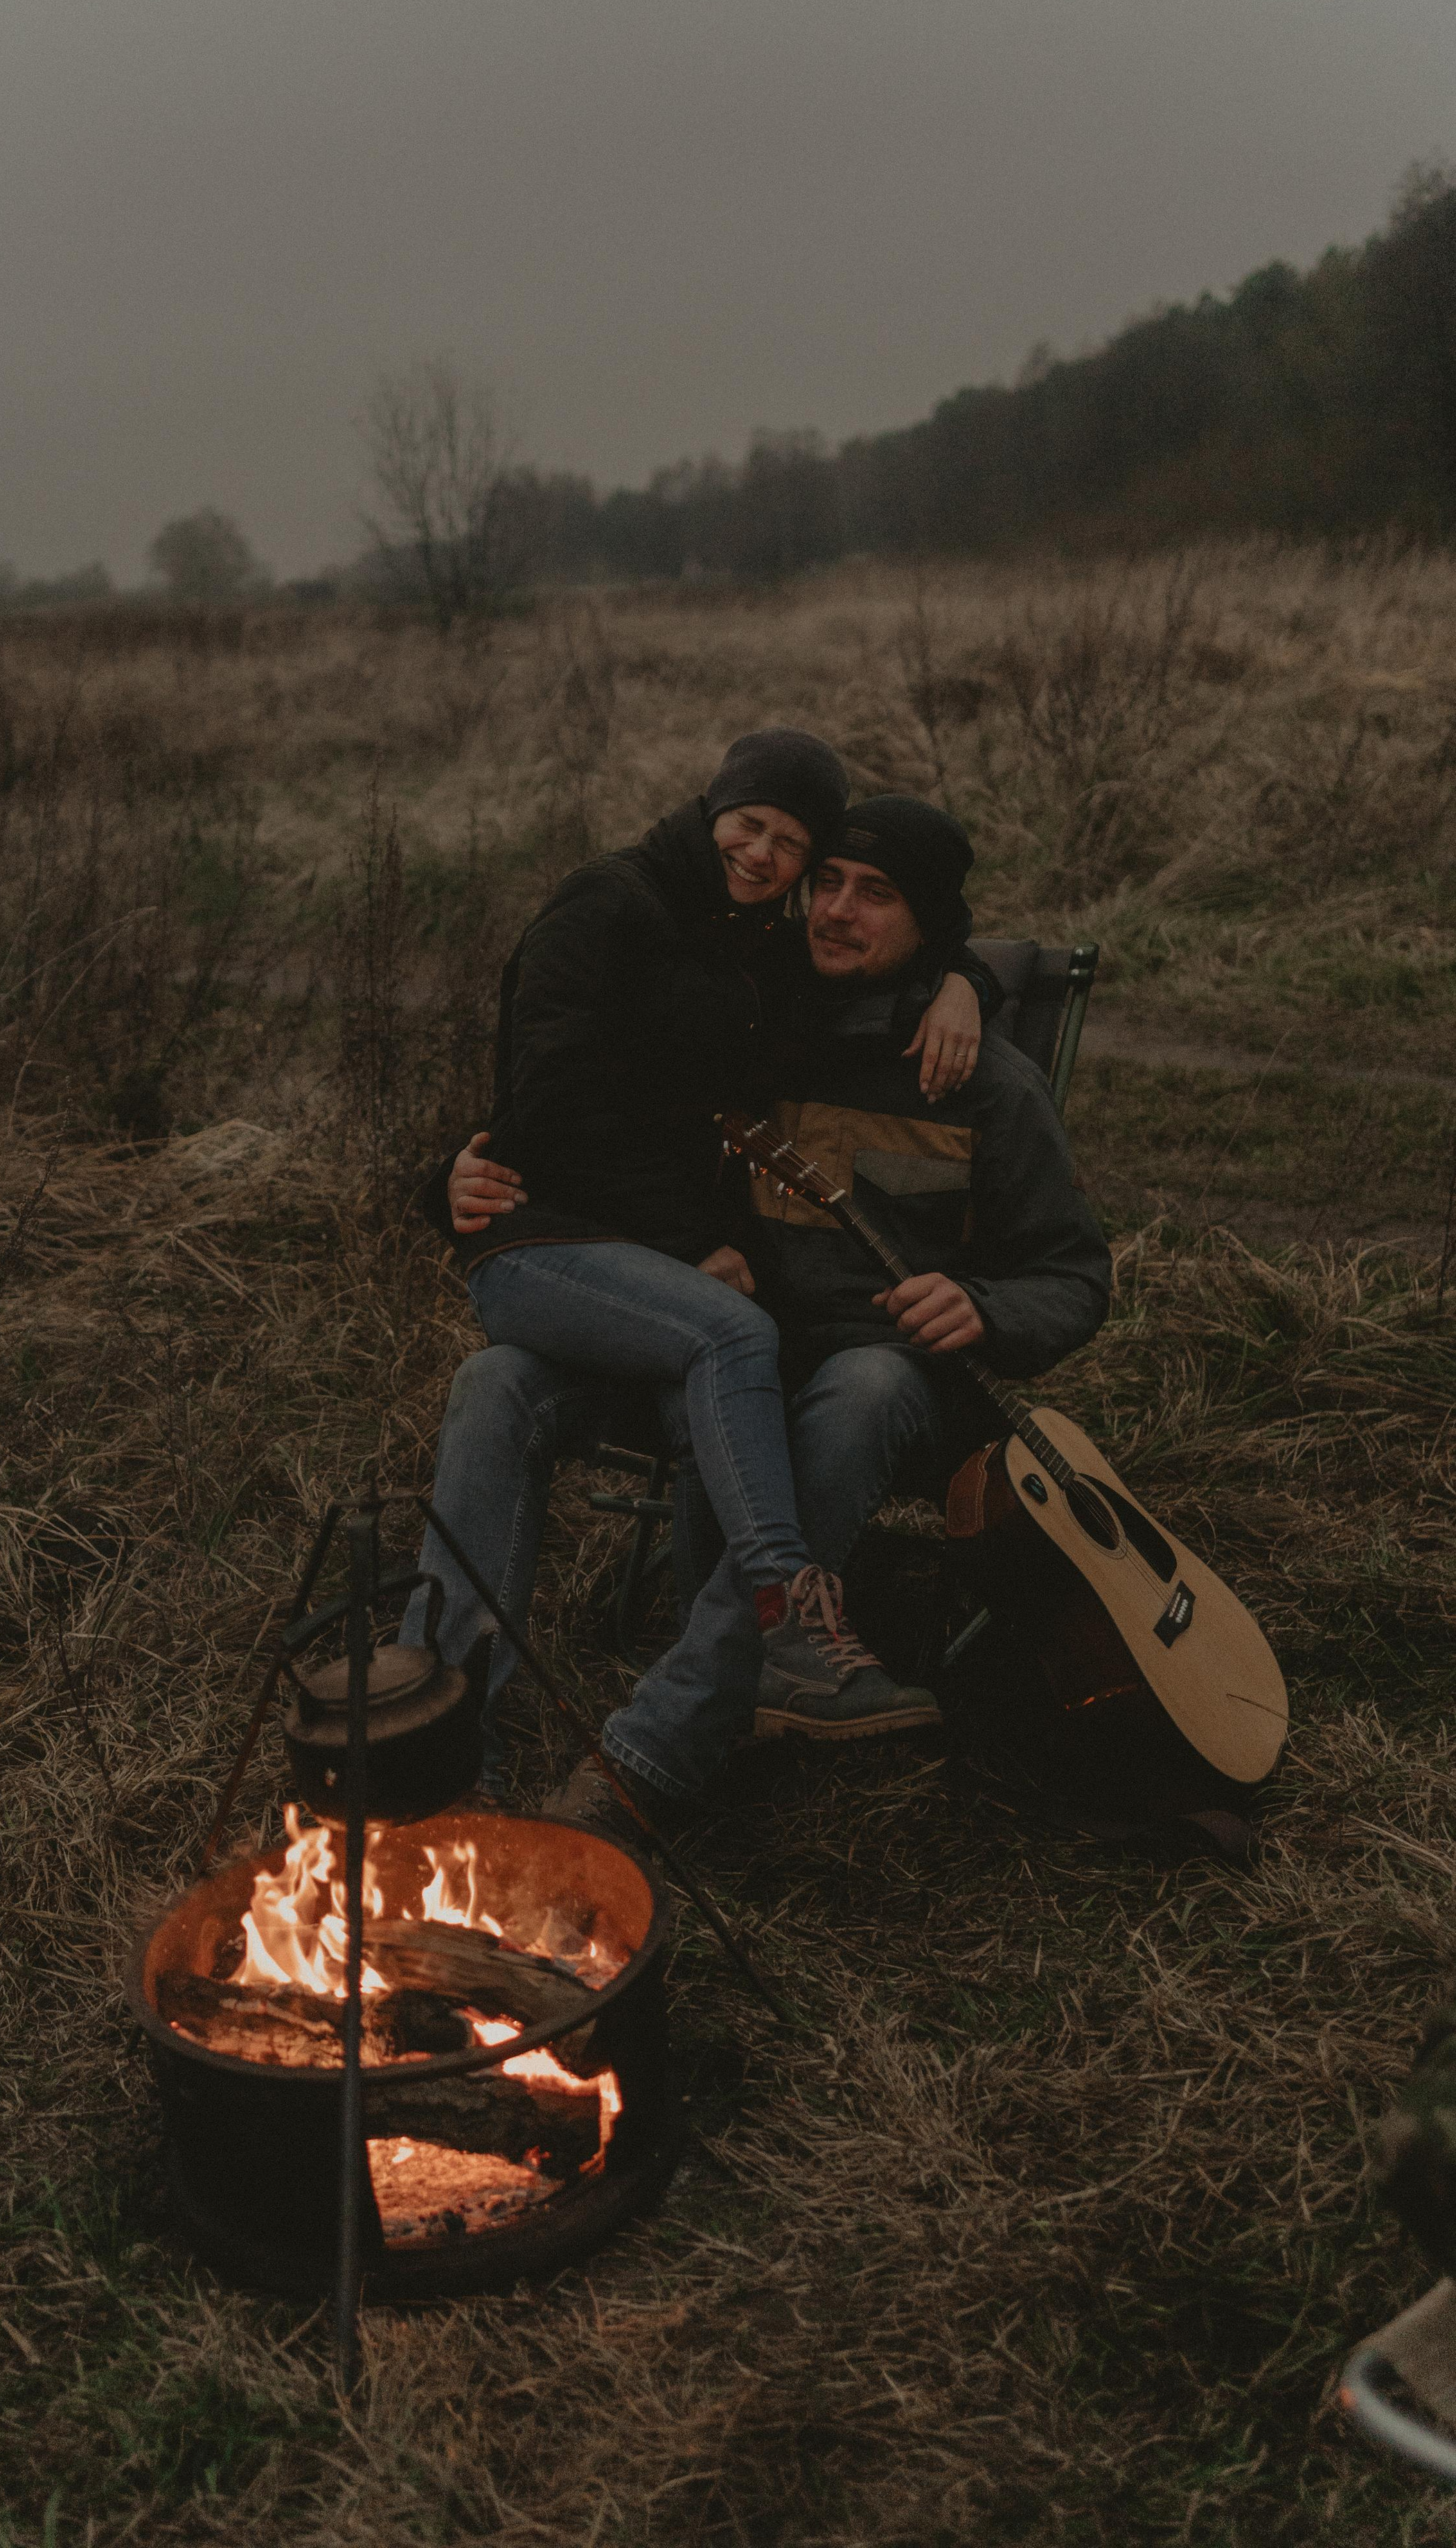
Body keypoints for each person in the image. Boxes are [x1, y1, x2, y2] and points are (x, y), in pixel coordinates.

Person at [422, 794, 1112, 1828]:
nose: (836, 910)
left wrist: (984, 1306)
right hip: (699, 1350)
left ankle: (650, 1761)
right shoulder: (743, 1031)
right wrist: (449, 1177)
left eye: (875, 896)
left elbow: (1074, 1274)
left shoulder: (981, 1083)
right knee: (497, 1381)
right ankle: (433, 1746)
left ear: (929, 923)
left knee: (860, 1388)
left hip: (880, 1377)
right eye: (824, 882)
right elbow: (579, 1105)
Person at [411, 732, 995, 1698]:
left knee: (504, 1382)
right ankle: (783, 1613)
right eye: (750, 825)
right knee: (730, 1335)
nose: (764, 854)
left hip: (631, 1270)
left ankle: (459, 1715)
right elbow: (550, 1104)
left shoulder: (750, 936)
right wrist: (685, 1245)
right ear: (712, 808)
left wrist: (968, 977)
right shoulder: (609, 904)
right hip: (543, 1243)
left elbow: (910, 919)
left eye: (790, 846)